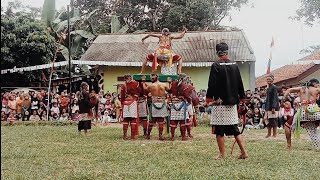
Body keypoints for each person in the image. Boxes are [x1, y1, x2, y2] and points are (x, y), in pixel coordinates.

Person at [205, 42, 248, 159]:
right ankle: (244, 152)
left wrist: (208, 99)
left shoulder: (216, 65)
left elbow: (212, 84)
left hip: (219, 103)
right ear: (227, 52)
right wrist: (242, 99)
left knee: (219, 130)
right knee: (235, 130)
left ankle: (222, 154)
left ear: (217, 52)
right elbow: (240, 83)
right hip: (232, 102)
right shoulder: (235, 65)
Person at [283, 78, 320, 150]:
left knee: (287, 126)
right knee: (313, 132)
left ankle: (289, 146)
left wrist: (284, 99)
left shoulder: (301, 88)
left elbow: (288, 90)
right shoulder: (316, 89)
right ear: (314, 84)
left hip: (303, 112)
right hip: (314, 112)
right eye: (317, 84)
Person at [141, 73, 171, 140]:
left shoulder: (151, 85)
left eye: (152, 78)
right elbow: (169, 90)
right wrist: (170, 82)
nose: (151, 79)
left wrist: (143, 82)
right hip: (162, 103)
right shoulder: (164, 84)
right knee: (160, 121)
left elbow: (145, 89)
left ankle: (148, 135)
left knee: (152, 121)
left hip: (154, 103)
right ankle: (160, 136)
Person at [167, 73, 189, 141]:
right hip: (182, 104)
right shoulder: (184, 86)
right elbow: (187, 96)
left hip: (174, 104)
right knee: (182, 122)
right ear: (183, 79)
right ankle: (183, 137)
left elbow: (169, 90)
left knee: (173, 121)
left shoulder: (173, 84)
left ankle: (172, 136)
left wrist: (169, 83)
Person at [120, 74, 141, 140]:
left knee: (126, 119)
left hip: (126, 103)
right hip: (133, 103)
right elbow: (140, 91)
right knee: (133, 119)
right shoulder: (136, 83)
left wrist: (122, 103)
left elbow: (122, 96)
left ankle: (125, 136)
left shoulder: (123, 86)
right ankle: (132, 136)